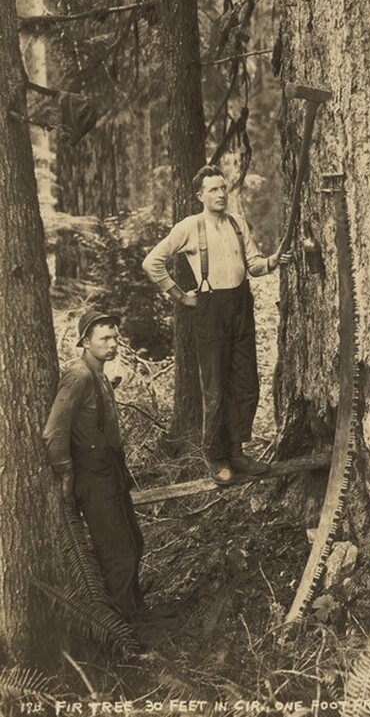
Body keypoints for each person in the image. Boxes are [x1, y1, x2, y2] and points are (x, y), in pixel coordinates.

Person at [142, 164, 292, 485]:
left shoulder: (238, 223)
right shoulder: (190, 226)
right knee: (215, 389)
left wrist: (272, 261)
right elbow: (152, 262)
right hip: (211, 311)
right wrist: (181, 296)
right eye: (213, 189)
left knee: (246, 383)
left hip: (241, 306)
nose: (221, 194)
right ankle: (216, 456)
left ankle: (237, 450)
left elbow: (253, 265)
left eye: (223, 188)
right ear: (201, 195)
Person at [43, 310, 145, 620]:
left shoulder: (98, 372)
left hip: (110, 467)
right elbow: (53, 431)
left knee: (134, 542)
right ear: (86, 342)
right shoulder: (79, 375)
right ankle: (124, 627)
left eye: (115, 338)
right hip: (92, 474)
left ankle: (138, 610)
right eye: (104, 338)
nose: (112, 344)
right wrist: (66, 473)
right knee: (117, 552)